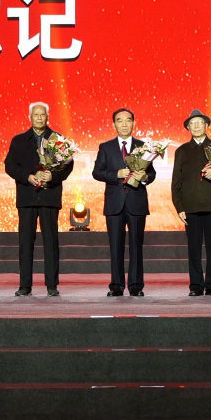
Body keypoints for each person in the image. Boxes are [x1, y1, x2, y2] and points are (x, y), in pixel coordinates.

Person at [3, 102, 74, 296]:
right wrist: (27, 176)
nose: (40, 118)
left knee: (51, 241)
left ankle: (52, 285)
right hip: (27, 197)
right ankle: (25, 286)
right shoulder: (19, 140)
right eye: (36, 115)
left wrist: (53, 176)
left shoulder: (58, 139)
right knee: (25, 242)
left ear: (47, 117)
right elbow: (10, 165)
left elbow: (68, 165)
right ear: (30, 117)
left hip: (49, 196)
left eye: (43, 115)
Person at [171, 108, 211, 297]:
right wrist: (179, 207)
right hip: (190, 207)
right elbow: (176, 182)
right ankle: (196, 286)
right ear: (188, 128)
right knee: (193, 249)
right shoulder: (182, 151)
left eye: (200, 122)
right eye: (192, 123)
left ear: (206, 125)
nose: (196, 126)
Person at [91, 108, 152, 296]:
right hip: (114, 204)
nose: (124, 124)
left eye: (128, 120)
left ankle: (136, 287)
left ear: (133, 123)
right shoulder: (106, 147)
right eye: (120, 120)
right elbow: (97, 172)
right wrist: (116, 174)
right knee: (115, 247)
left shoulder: (143, 146)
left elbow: (152, 174)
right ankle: (116, 286)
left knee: (136, 247)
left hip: (136, 202)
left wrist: (144, 177)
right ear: (114, 124)